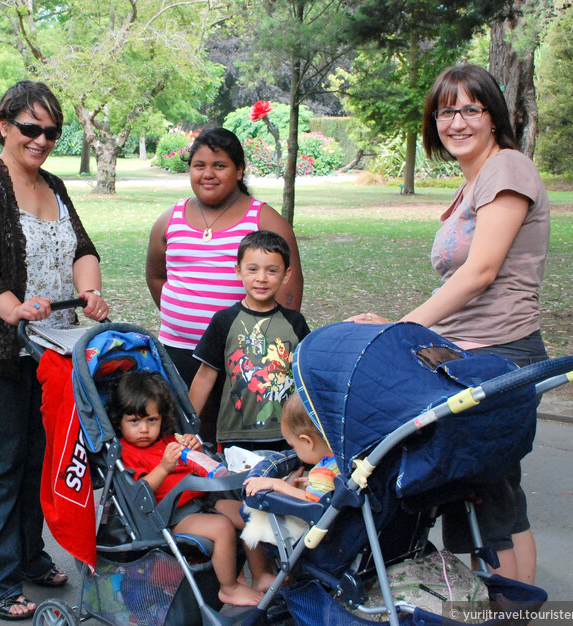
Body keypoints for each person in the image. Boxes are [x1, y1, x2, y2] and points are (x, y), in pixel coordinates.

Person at [348, 64, 550, 585]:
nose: (455, 121)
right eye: (444, 110)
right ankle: (501, 606)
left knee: (490, 500)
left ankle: (512, 611)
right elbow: (460, 282)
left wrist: (401, 333)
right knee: (482, 494)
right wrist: (406, 327)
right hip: (467, 355)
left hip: (501, 353)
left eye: (469, 109)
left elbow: (480, 272)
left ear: (493, 116)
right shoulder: (474, 183)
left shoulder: (506, 168)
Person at [0, 80, 108, 621]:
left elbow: (83, 248)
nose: (41, 139)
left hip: (57, 348)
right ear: (3, 125)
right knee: (0, 465)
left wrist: (90, 292)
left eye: (51, 131)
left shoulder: (55, 184)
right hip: (3, 347)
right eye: (30, 128)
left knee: (39, 462)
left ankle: (27, 555)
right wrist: (12, 308)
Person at [145, 128, 303, 443]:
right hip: (178, 352)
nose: (208, 174)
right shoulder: (170, 219)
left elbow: (288, 292)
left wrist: (261, 349)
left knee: (232, 439)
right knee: (183, 436)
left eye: (219, 165)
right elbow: (156, 276)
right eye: (199, 165)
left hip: (243, 357)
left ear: (239, 169)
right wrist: (183, 316)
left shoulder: (264, 220)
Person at [110, 371, 275, 605]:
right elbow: (141, 493)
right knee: (222, 528)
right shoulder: (127, 453)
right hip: (172, 516)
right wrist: (165, 467)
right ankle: (229, 588)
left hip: (203, 501)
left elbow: (199, 468)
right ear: (120, 421)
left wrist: (195, 451)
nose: (144, 429)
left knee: (250, 513)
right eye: (134, 421)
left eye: (151, 420)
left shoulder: (169, 441)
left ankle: (260, 575)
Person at [189, 231, 310, 451]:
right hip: (235, 433)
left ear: (286, 274)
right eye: (253, 269)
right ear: (238, 271)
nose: (261, 278)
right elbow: (205, 376)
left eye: (272, 270)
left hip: (288, 435)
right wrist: (188, 424)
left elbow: (308, 376)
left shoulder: (295, 322)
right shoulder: (224, 321)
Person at [241, 393, 339, 548]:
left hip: (321, 542)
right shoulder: (341, 461)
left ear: (307, 441)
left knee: (251, 514)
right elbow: (333, 487)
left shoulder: (324, 472)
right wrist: (317, 485)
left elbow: (313, 504)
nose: (293, 450)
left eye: (293, 446)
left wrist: (278, 485)